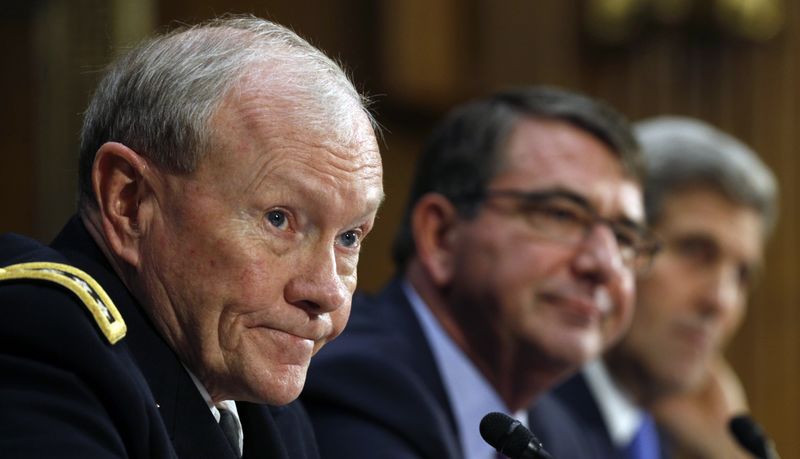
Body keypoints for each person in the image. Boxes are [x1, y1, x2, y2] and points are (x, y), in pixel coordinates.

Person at [0, 15, 384, 458]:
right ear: (129, 200)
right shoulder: (38, 342)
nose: (328, 292)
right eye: (279, 219)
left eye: (350, 237)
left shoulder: (264, 408)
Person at [301, 86, 659, 458]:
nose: (604, 263)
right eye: (560, 214)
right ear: (440, 236)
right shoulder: (351, 390)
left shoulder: (568, 438)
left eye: (623, 237)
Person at [531, 116, 778, 458]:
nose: (720, 300)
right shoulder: (527, 426)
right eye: (695, 251)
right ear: (619, 244)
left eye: (742, 276)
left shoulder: (658, 436)